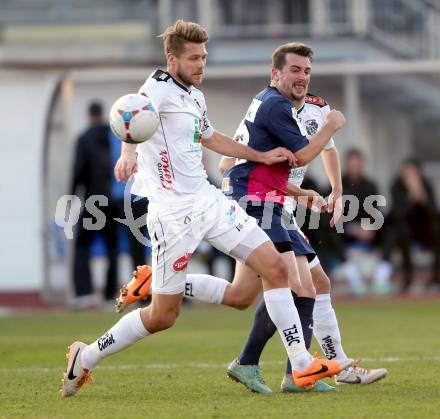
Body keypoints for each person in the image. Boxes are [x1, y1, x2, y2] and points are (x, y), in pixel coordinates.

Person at [61, 20, 351, 397]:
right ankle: (85, 357)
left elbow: (211, 137)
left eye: (204, 57)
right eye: (194, 58)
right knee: (162, 316)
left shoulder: (195, 96)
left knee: (273, 270)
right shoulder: (157, 89)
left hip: (208, 200)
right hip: (171, 215)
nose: (201, 64)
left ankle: (300, 364)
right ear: (173, 58)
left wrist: (257, 154)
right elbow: (130, 117)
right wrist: (128, 153)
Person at [340, 149, 392, 295]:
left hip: (368, 231)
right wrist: (352, 229)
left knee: (390, 227)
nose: (354, 168)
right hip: (345, 233)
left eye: (357, 164)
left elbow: (376, 211)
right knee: (328, 228)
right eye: (352, 164)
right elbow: (332, 215)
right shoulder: (337, 185)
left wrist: (369, 228)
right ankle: (348, 268)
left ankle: (383, 269)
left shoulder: (370, 185)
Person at [386, 158, 440, 292]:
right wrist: (410, 198)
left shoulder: (426, 185)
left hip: (423, 229)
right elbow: (398, 214)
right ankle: (407, 276)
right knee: (400, 232)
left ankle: (436, 276)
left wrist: (422, 198)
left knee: (437, 231)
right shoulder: (396, 186)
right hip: (405, 229)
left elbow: (433, 213)